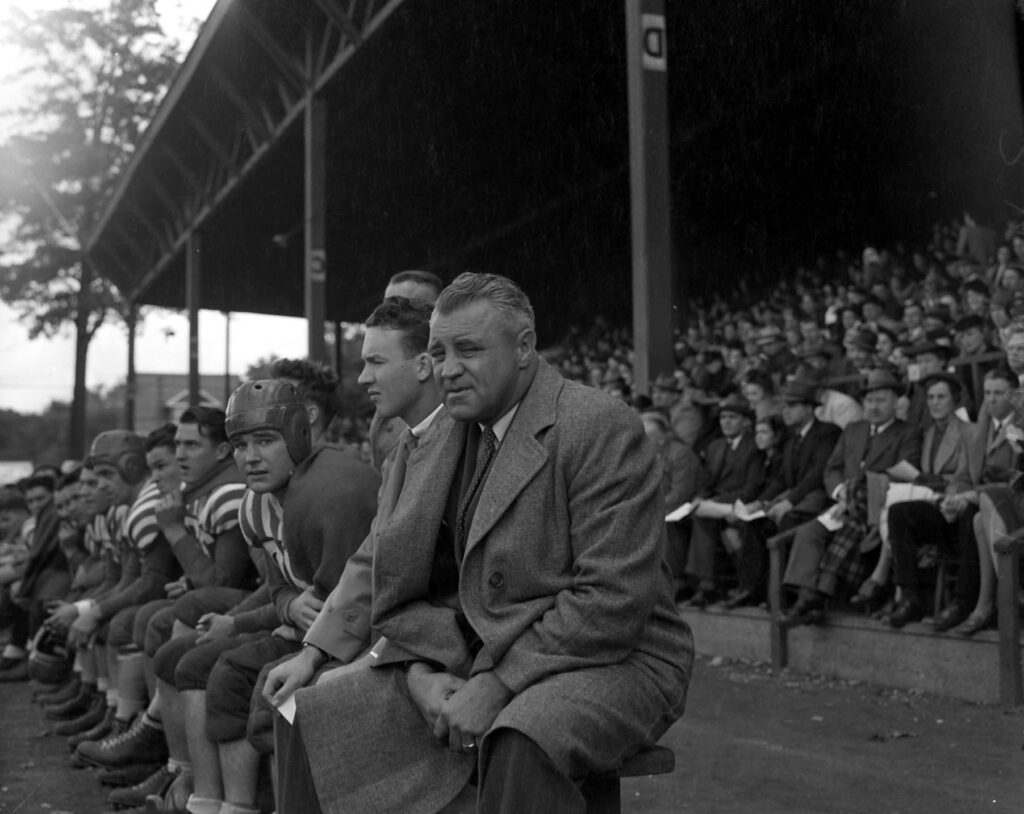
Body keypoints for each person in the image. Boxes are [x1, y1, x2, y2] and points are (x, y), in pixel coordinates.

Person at [279, 272, 693, 814]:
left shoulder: (597, 425)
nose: (447, 369)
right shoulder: (441, 433)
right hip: (472, 656)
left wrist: (496, 684)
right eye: (438, 351)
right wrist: (419, 672)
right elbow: (401, 586)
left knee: (521, 737)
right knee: (306, 713)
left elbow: (612, 602)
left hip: (614, 659)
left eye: (468, 350)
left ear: (524, 348)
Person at [262, 297, 445, 810]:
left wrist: (390, 657)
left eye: (375, 362)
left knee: (312, 704)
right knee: (294, 692)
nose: (362, 377)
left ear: (424, 364)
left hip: (441, 647)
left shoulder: (463, 438)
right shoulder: (408, 447)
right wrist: (314, 651)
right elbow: (370, 557)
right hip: (404, 637)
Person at [782, 368, 922, 626]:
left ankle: (811, 601)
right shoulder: (854, 429)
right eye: (869, 400)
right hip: (843, 503)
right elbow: (832, 468)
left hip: (878, 506)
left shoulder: (907, 432)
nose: (873, 406)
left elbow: (906, 473)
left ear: (896, 403)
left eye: (881, 400)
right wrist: (840, 491)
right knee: (810, 532)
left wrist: (858, 492)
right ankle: (808, 598)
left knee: (849, 531)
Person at [868, 372, 970, 626]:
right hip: (935, 502)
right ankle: (908, 597)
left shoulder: (968, 432)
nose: (934, 403)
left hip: (958, 506)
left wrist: (928, 480)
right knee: (899, 512)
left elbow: (965, 477)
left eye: (941, 397)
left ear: (955, 400)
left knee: (904, 508)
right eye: (931, 398)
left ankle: (897, 590)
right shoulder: (927, 433)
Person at [729, 381, 841, 609]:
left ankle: (783, 596)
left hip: (817, 500)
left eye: (793, 405)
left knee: (787, 522)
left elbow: (817, 474)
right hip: (792, 499)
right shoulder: (791, 438)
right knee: (756, 523)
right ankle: (752, 590)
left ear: (810, 408)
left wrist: (789, 501)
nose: (785, 411)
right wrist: (761, 502)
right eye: (784, 406)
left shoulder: (827, 432)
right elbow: (782, 478)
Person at [682, 393, 763, 607]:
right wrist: (700, 497)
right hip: (716, 505)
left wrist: (716, 501)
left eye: (732, 417)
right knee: (699, 517)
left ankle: (713, 586)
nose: (726, 421)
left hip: (741, 504)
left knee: (710, 519)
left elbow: (751, 488)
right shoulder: (715, 445)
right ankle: (704, 585)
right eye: (723, 417)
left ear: (746, 422)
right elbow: (707, 482)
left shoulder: (755, 446)